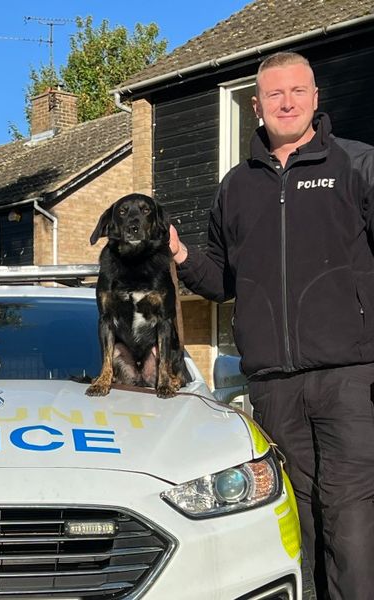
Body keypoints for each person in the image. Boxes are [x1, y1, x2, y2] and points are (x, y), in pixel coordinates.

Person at [169, 52, 374, 599]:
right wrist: (183, 255)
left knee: (353, 525)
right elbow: (221, 280)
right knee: (296, 523)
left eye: (298, 91)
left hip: (351, 379)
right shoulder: (235, 186)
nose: (287, 102)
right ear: (256, 107)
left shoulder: (357, 165)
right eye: (275, 95)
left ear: (315, 98)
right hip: (273, 387)